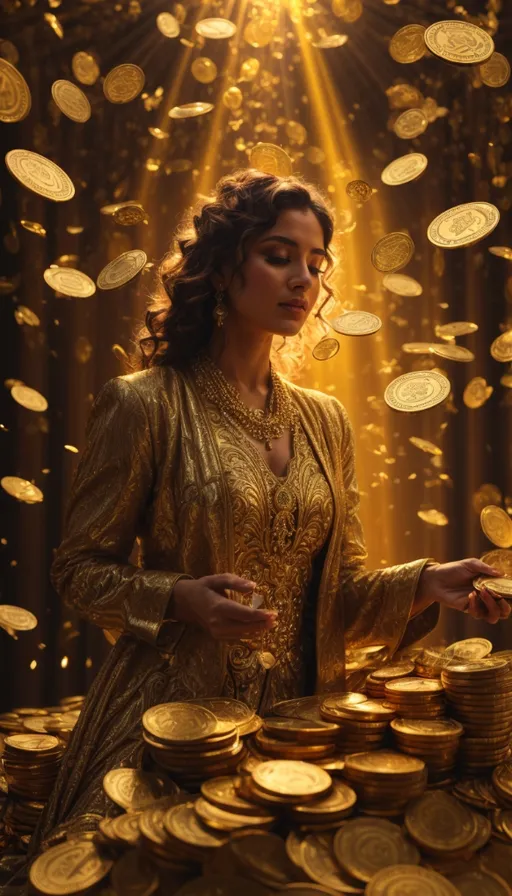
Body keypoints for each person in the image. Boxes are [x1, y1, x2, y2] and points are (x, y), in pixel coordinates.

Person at [24, 168, 509, 859]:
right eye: (278, 256)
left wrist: (425, 581)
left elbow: (335, 593)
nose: (303, 280)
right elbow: (76, 569)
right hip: (172, 729)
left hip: (301, 734)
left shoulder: (326, 420)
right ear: (222, 270)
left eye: (315, 264)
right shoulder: (145, 404)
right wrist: (180, 599)